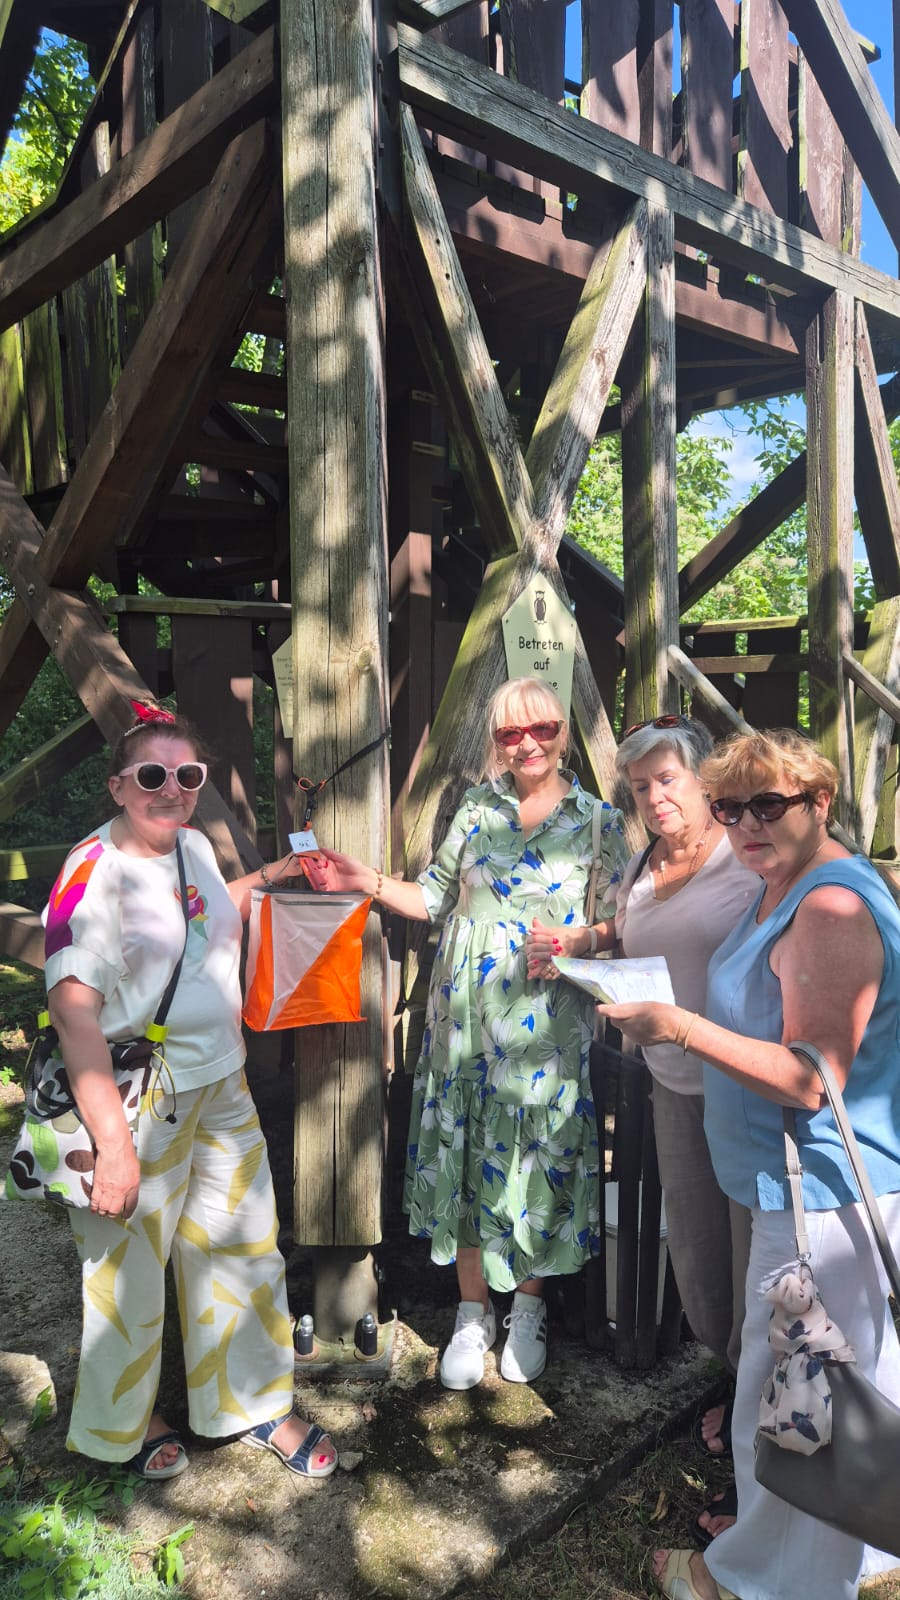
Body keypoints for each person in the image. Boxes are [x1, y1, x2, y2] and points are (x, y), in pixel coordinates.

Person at [593, 729, 900, 1600]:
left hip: (819, 1199)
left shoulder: (828, 908)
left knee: (792, 1397)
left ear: (821, 803)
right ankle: (857, 1548)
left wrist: (678, 1026)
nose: (747, 824)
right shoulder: (782, 886)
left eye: (769, 804)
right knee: (831, 1389)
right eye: (731, 808)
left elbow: (811, 1079)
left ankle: (748, 1580)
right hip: (796, 1188)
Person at [43, 701, 338, 1481]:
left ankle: (250, 1402)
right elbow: (73, 1013)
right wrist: (113, 1148)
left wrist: (270, 878)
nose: (170, 789)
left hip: (220, 1084)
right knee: (128, 1270)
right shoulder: (91, 873)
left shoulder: (193, 846)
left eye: (186, 775)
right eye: (152, 776)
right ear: (117, 786)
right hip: (139, 1101)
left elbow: (203, 917)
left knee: (244, 1245)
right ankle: (125, 1422)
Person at [311, 678, 628, 1389]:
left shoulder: (598, 821)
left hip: (546, 1026)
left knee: (541, 1155)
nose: (528, 744)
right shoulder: (478, 809)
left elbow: (620, 921)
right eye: (511, 733)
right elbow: (430, 897)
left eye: (542, 729)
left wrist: (577, 939)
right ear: (496, 742)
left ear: (562, 733)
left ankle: (529, 1310)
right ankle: (472, 1312)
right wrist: (364, 879)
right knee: (468, 1151)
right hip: (465, 1026)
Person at [527, 713, 758, 1541]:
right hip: (671, 1087)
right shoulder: (642, 863)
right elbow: (630, 931)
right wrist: (583, 940)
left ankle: (760, 1447)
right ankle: (738, 1387)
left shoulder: (745, 855)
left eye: (668, 780)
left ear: (703, 778)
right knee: (699, 1263)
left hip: (745, 1091)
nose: (655, 798)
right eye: (639, 786)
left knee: (757, 1266)